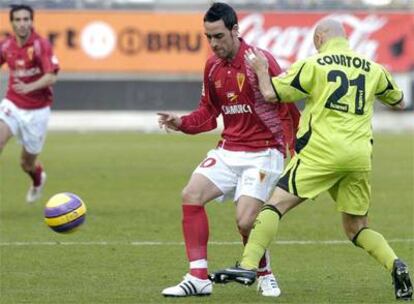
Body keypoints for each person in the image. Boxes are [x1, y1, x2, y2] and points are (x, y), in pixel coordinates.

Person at [209, 19, 413, 301]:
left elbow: (271, 94)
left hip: (321, 153)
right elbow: (400, 102)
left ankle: (247, 266)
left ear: (319, 37)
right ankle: (396, 264)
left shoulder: (314, 65)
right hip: (358, 156)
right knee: (357, 228)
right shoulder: (373, 68)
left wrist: (260, 69)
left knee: (274, 206)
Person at [158, 2, 300, 298]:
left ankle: (264, 271)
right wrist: (181, 122)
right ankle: (198, 277)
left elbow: (286, 106)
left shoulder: (259, 61)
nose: (213, 44)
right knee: (191, 194)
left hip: (264, 151)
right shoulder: (212, 66)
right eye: (208, 37)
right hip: (229, 148)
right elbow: (208, 113)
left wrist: (295, 148)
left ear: (235, 30)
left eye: (218, 36)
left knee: (246, 220)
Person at [0, 4, 59, 203]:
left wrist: (29, 87)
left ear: (32, 21)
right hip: (13, 104)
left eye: (26, 19)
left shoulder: (41, 45)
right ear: (12, 22)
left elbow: (51, 76)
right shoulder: (6, 45)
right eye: (18, 20)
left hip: (37, 111)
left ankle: (37, 177)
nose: (22, 24)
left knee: (26, 164)